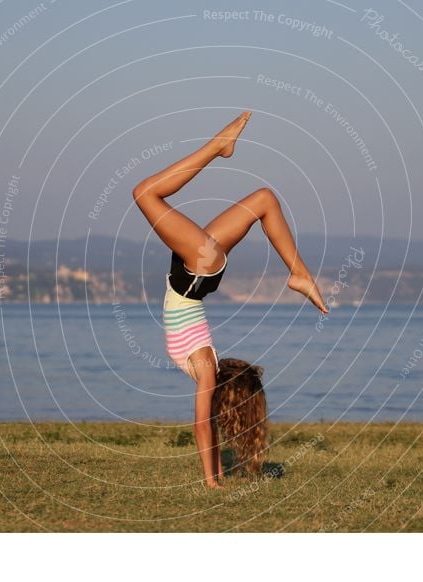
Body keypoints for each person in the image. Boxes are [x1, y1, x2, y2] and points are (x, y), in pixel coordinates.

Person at [132, 111, 328, 488]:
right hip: (195, 272)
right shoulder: (206, 363)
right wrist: (212, 479)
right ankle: (299, 274)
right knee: (150, 194)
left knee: (262, 200)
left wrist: (214, 479)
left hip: (197, 273)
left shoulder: (206, 366)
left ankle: (299, 273)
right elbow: (203, 424)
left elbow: (203, 424)